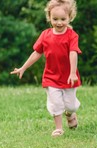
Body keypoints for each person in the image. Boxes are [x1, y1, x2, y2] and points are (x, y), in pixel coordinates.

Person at [11, 0, 82, 137]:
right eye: (55, 19)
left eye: (63, 19)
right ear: (49, 17)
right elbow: (37, 52)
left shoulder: (72, 36)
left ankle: (70, 113)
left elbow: (73, 53)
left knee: (71, 105)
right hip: (51, 77)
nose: (59, 22)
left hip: (68, 77)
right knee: (55, 103)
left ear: (70, 17)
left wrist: (73, 73)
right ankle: (58, 128)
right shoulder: (45, 35)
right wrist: (23, 68)